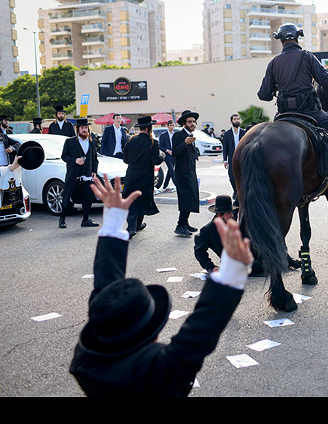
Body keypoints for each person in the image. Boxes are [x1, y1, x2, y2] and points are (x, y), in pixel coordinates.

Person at [68, 175, 253, 397]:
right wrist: (230, 275)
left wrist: (229, 279)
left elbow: (107, 296)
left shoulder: (86, 362)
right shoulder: (158, 374)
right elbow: (197, 336)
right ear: (148, 334)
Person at [257, 22, 328, 191]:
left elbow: (263, 95)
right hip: (310, 111)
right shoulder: (307, 56)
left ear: (280, 40)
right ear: (297, 37)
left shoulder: (273, 63)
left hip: (283, 114)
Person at [122, 116, 165, 238]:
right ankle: (135, 226)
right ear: (149, 128)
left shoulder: (130, 140)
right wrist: (162, 156)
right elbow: (156, 161)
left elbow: (125, 160)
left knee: (131, 201)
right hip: (146, 177)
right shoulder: (153, 142)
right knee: (142, 200)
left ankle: (133, 227)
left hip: (131, 174)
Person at [59, 118, 99, 228]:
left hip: (87, 176)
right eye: (82, 128)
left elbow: (95, 159)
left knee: (88, 197)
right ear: (77, 129)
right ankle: (62, 219)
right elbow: (64, 156)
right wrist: (75, 160)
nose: (84, 130)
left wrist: (94, 171)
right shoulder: (70, 141)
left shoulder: (91, 142)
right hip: (74, 175)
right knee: (67, 197)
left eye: (86, 128)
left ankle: (85, 220)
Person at [172, 109, 200, 236]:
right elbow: (175, 152)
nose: (192, 123)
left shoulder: (191, 135)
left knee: (190, 198)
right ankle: (180, 225)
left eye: (194, 121)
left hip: (191, 173)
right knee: (185, 199)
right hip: (183, 174)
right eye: (190, 122)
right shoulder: (179, 135)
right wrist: (185, 143)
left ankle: (185, 223)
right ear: (184, 123)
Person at [222, 114, 246, 204]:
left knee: (242, 176)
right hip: (232, 158)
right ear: (231, 121)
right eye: (235, 119)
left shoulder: (243, 132)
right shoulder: (227, 134)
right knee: (232, 177)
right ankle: (235, 191)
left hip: (242, 158)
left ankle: (239, 192)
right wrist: (225, 160)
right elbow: (225, 148)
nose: (237, 121)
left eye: (238, 119)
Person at [158, 120, 177, 189]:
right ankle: (177, 185)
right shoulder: (163, 135)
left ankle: (164, 186)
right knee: (172, 171)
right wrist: (167, 150)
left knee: (169, 172)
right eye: (170, 125)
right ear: (168, 126)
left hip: (174, 155)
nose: (172, 127)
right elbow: (160, 146)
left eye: (173, 125)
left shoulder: (175, 134)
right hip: (167, 156)